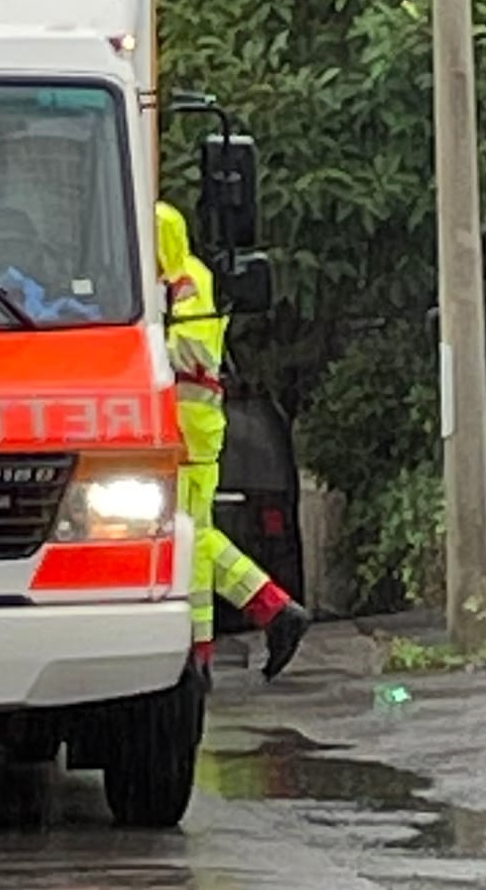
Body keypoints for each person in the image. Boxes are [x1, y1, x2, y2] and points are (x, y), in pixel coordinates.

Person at [157, 202, 310, 681]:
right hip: (178, 421)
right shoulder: (173, 281)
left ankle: (200, 656)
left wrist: (148, 339)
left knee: (191, 536)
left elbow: (195, 350)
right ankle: (273, 610)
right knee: (191, 531)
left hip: (190, 424)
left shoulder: (189, 281)